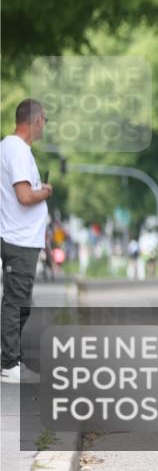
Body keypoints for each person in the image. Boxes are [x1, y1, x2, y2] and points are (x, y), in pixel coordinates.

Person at [1, 99, 52, 384]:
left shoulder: (10, 148)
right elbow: (24, 196)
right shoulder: (18, 151)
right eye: (44, 119)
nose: (45, 125)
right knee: (16, 302)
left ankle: (11, 359)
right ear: (34, 120)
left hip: (19, 237)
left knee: (20, 301)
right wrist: (44, 192)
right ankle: (9, 364)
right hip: (19, 239)